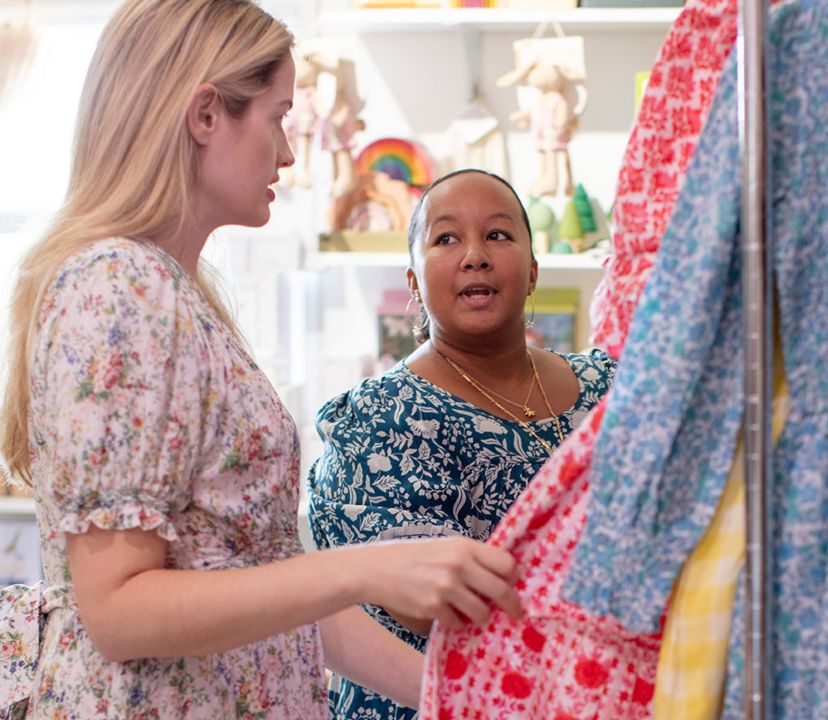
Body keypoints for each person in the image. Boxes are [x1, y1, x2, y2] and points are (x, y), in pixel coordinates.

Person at [0, 3, 521, 718]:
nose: (287, 151)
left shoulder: (177, 295)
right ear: (206, 114)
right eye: (277, 117)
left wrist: (457, 701)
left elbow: (266, 583)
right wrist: (366, 568)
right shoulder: (118, 285)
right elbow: (118, 611)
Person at [307, 168, 618, 719]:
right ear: (413, 284)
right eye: (446, 238)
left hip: (602, 693)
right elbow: (440, 610)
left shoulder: (607, 387)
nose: (475, 254)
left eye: (498, 235)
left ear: (533, 273)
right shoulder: (380, 421)